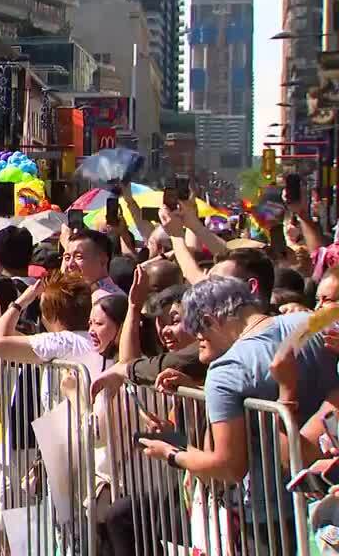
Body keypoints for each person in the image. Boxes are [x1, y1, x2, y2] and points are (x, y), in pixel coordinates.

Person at [138, 276, 339, 553]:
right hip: (325, 496)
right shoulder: (315, 323)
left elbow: (228, 466)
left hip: (269, 514)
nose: (200, 344)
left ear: (210, 320)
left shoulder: (226, 370)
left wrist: (171, 453)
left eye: (200, 334)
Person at [65, 230, 123, 295]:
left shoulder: (108, 299)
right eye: (67, 258)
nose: (70, 264)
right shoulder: (79, 294)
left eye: (78, 257)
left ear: (102, 260)